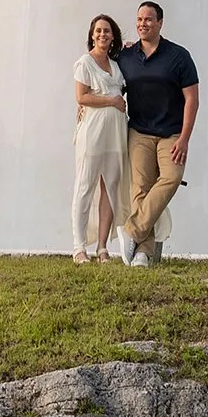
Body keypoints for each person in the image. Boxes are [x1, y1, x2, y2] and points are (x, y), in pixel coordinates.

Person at [115, 0, 198, 265]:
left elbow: (192, 99)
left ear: (160, 23)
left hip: (171, 134)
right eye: (139, 19)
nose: (143, 24)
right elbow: (104, 75)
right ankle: (143, 252)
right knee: (140, 189)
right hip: (139, 132)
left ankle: (131, 230)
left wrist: (184, 138)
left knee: (171, 178)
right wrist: (85, 104)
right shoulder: (126, 56)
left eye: (149, 19)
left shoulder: (178, 56)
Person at [70, 14, 130, 262]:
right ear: (92, 35)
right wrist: (112, 101)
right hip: (93, 131)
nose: (102, 35)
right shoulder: (85, 63)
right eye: (98, 31)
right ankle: (79, 246)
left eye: (106, 31)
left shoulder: (116, 65)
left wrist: (129, 47)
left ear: (113, 35)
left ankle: (102, 247)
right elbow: (81, 97)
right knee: (85, 185)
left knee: (110, 187)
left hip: (115, 133)